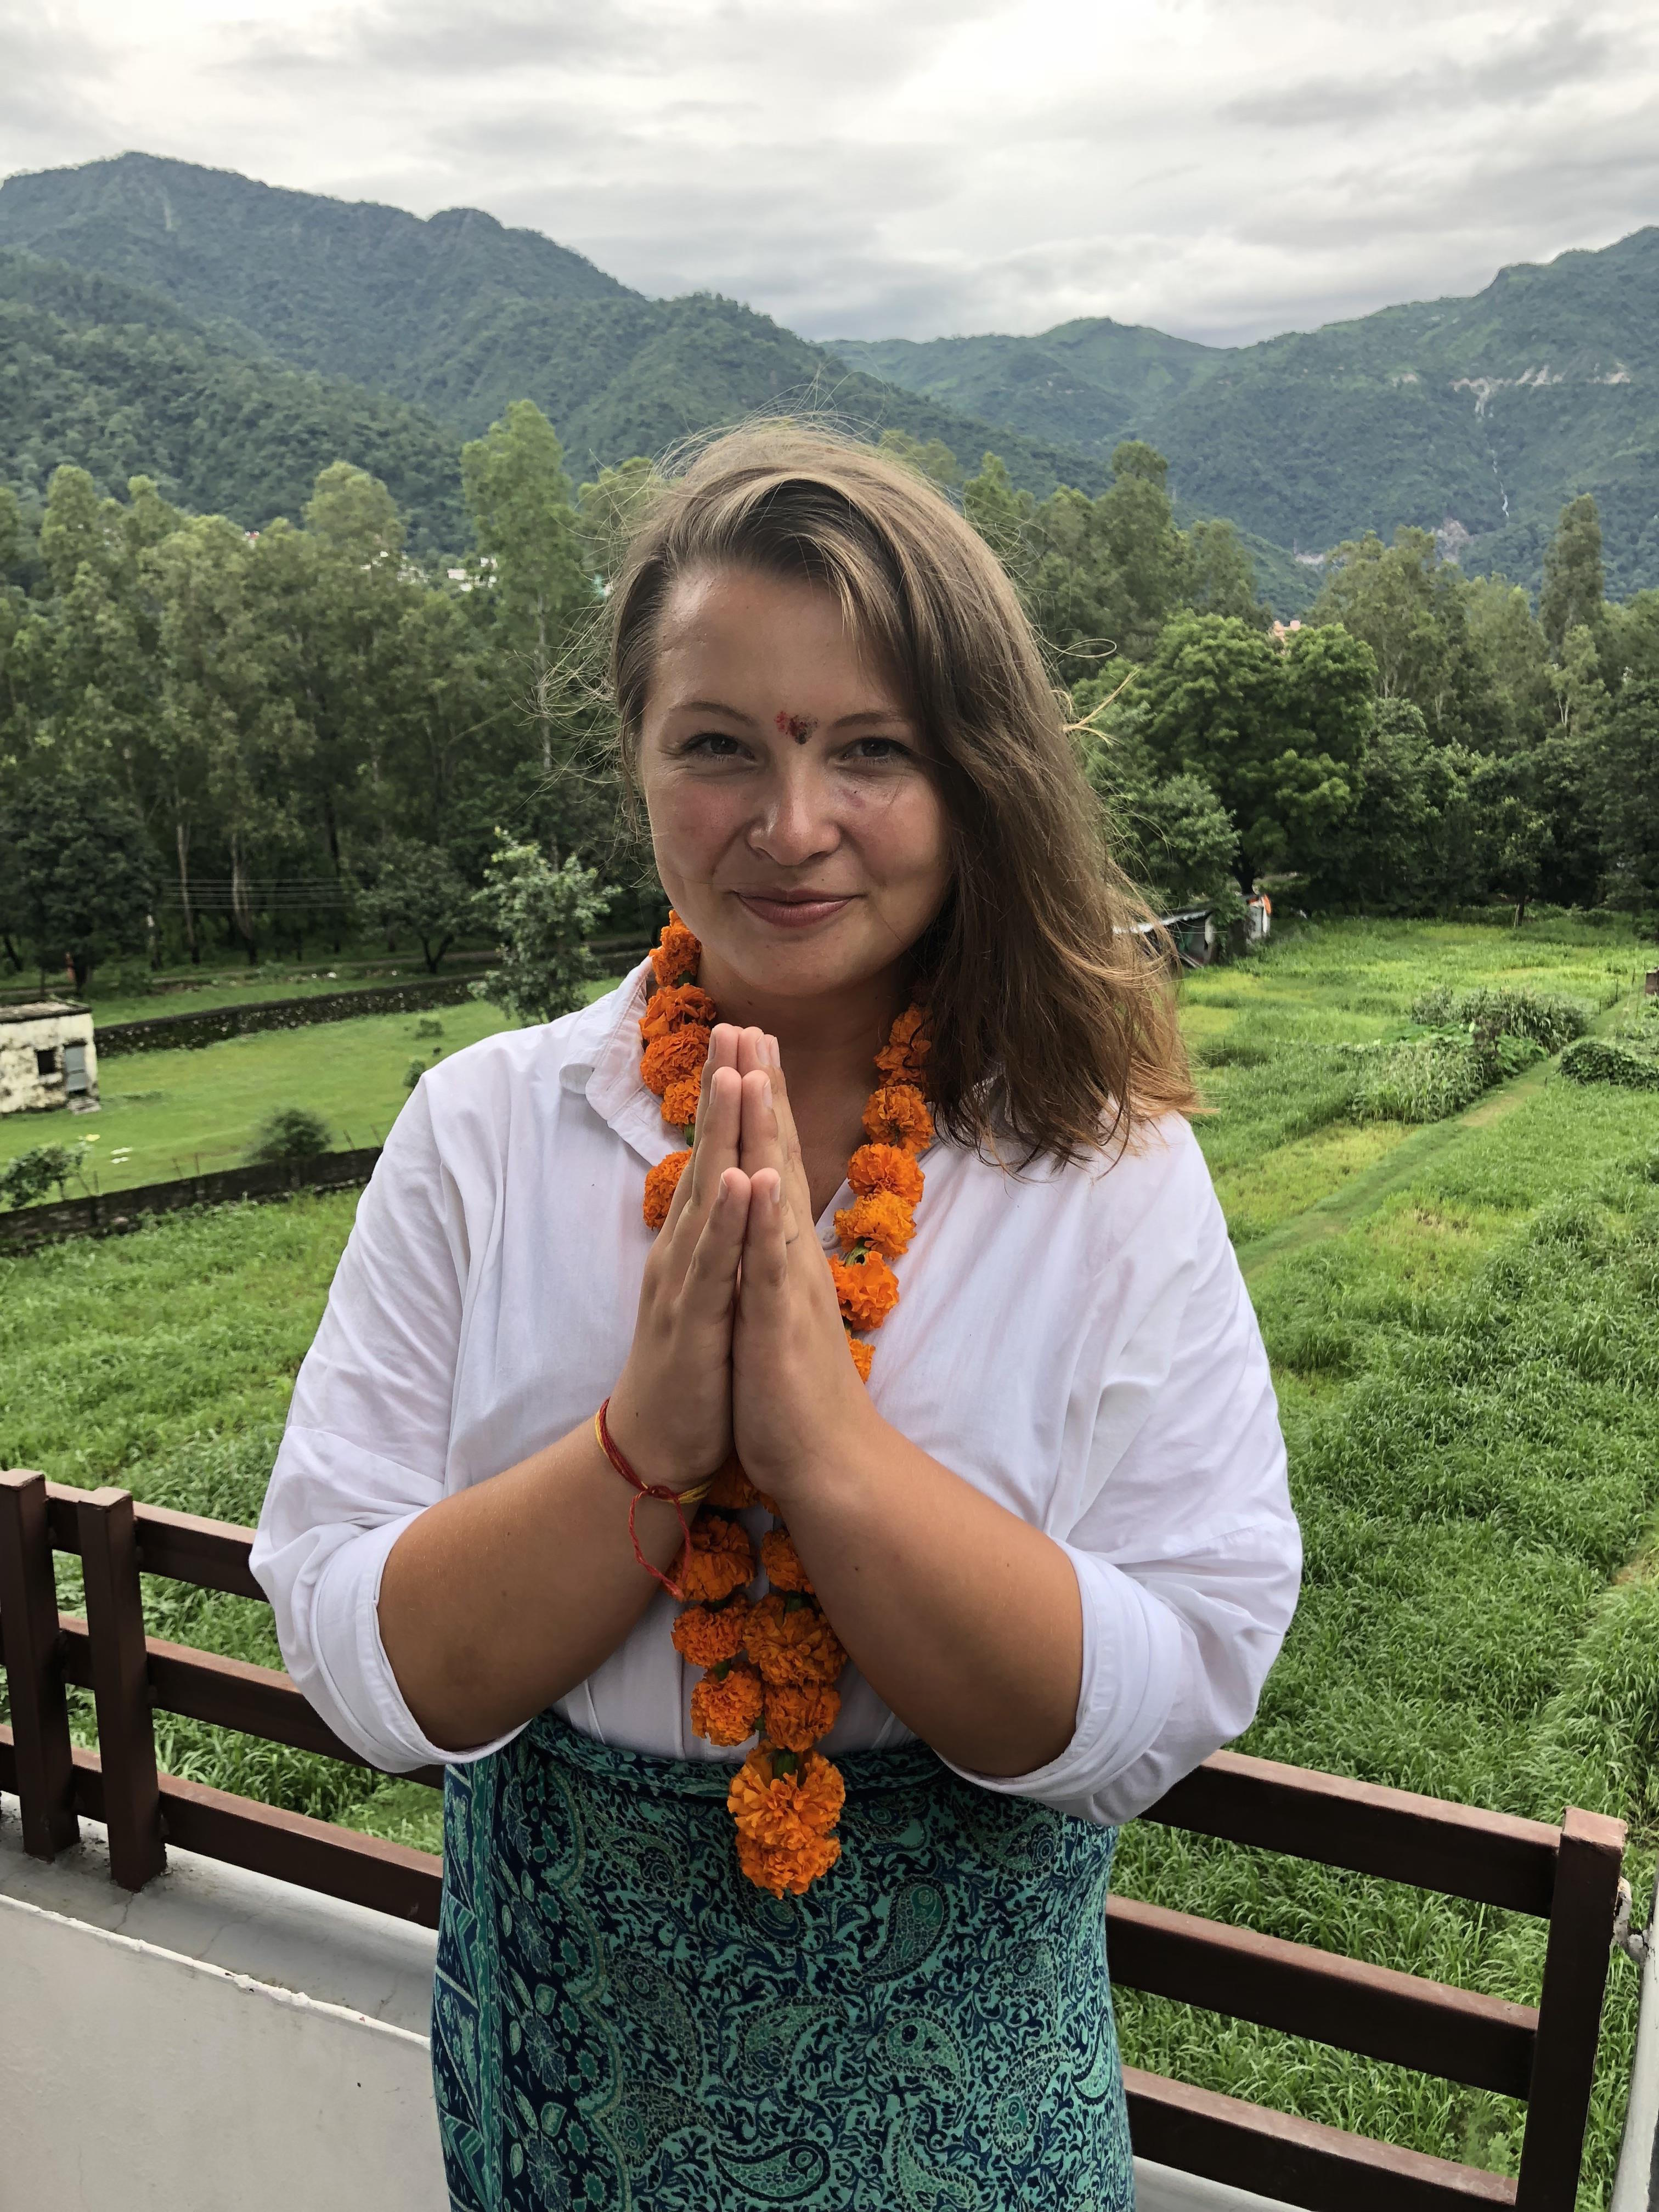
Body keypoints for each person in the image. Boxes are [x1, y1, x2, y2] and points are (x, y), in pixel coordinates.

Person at [252, 425, 1299, 2211]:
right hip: (563, 2127)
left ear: (974, 773)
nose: (792, 825)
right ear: (639, 760)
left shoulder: (1101, 1167)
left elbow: (1187, 1667)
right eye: (718, 745)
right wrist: (640, 1450)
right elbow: (352, 1652)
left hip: (970, 2142)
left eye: (869, 749)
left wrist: (825, 1455)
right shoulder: (486, 1132)